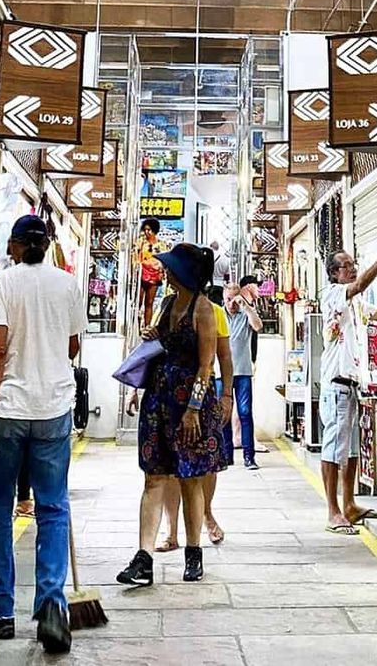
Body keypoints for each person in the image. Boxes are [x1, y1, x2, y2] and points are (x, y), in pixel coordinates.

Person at [0, 214, 85, 653]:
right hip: (54, 407)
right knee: (53, 509)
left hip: (10, 409)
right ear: (50, 244)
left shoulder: (3, 283)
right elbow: (73, 345)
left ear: (16, 246)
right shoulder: (68, 284)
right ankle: (52, 607)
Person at [117, 243, 226, 587]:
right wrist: (152, 336)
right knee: (154, 477)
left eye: (171, 267)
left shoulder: (204, 309)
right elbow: (158, 347)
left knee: (191, 478)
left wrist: (194, 409)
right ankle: (143, 557)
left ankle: (193, 553)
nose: (165, 272)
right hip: (159, 401)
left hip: (189, 406)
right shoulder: (166, 304)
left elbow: (207, 366)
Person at [157, 279, 233, 550]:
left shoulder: (212, 311)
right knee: (169, 471)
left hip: (200, 398)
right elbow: (157, 348)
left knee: (202, 467)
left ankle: (206, 514)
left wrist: (226, 396)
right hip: (168, 398)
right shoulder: (166, 306)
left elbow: (221, 358)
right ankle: (171, 531)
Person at [320, 249, 377, 535]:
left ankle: (349, 503)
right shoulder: (333, 294)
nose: (351, 270)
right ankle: (333, 510)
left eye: (352, 265)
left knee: (354, 449)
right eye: (345, 267)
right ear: (334, 274)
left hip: (354, 384)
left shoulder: (355, 304)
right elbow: (358, 286)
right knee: (334, 449)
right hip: (337, 384)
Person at [225, 274, 263, 470]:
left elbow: (258, 326)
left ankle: (249, 456)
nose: (231, 303)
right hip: (221, 373)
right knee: (224, 414)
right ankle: (225, 456)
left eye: (234, 298)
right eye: (228, 299)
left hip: (243, 372)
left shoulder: (245, 315)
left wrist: (246, 307)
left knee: (245, 413)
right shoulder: (218, 316)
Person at [138, 218, 164, 326]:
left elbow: (163, 261)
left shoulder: (161, 245)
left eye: (149, 230)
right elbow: (136, 258)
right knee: (138, 302)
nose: (147, 232)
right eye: (145, 230)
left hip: (155, 276)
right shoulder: (141, 243)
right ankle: (137, 322)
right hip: (142, 274)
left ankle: (147, 326)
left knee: (149, 302)